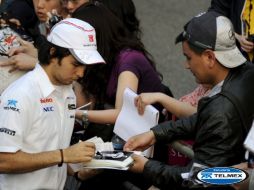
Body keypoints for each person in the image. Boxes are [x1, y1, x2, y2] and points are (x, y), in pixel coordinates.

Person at [124, 11, 254, 190]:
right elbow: (203, 117)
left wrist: (146, 166)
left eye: (189, 57)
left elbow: (197, 179)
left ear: (209, 57)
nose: (186, 65)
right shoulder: (247, 71)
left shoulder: (221, 110)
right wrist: (156, 133)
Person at [0, 17, 105, 189]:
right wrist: (64, 155)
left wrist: (77, 170)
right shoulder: (21, 95)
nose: (81, 73)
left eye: (85, 66)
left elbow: (53, 151)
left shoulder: (68, 92)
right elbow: (2, 161)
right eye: (76, 64)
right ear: (53, 53)